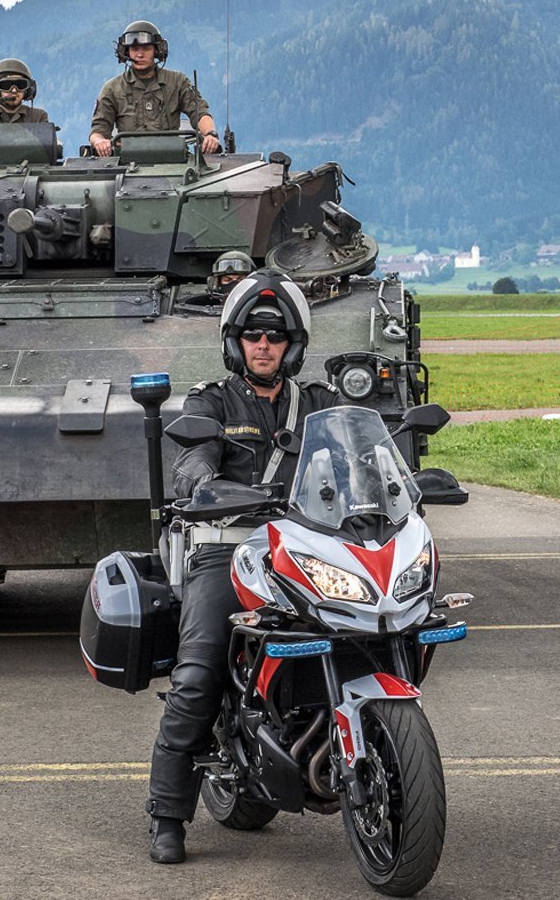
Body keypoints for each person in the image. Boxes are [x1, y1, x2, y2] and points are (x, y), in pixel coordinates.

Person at [146, 268, 339, 864]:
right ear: (236, 342)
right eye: (253, 335)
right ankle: (167, 816)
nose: (263, 345)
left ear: (291, 345)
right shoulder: (211, 401)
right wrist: (204, 483)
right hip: (226, 549)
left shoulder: (321, 405)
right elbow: (191, 461)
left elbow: (356, 461)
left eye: (274, 336)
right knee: (198, 674)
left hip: (303, 551)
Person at [89, 20, 220, 157]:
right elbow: (98, 130)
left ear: (156, 50)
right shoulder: (112, 89)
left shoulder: (176, 82)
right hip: (126, 162)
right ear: (126, 52)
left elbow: (199, 113)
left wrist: (210, 134)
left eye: (146, 49)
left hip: (172, 160)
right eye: (134, 49)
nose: (140, 55)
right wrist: (100, 142)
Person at [0, 58, 49, 124]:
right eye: (6, 85)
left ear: (28, 90)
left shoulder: (38, 118)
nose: (14, 90)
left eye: (20, 85)